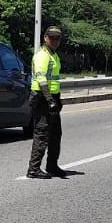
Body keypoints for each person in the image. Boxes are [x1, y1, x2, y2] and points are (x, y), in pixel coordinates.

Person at [26, 26, 67, 180]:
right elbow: (42, 80)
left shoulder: (54, 55)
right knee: (41, 133)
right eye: (52, 38)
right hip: (42, 98)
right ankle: (33, 169)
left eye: (57, 38)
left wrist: (57, 99)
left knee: (56, 134)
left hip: (52, 98)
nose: (55, 41)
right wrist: (50, 99)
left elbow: (54, 80)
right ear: (45, 38)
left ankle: (52, 166)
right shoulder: (42, 56)